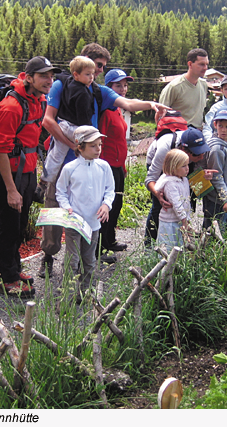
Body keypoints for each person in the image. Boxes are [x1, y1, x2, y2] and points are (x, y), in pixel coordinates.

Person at [40, 43, 167, 275]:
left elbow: (127, 103)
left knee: (87, 206)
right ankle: (48, 255)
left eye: (101, 67)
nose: (99, 71)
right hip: (64, 158)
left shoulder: (97, 90)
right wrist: (70, 144)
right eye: (97, 66)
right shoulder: (61, 85)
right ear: (84, 60)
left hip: (87, 161)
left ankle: (80, 260)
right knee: (55, 205)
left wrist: (151, 104)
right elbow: (48, 120)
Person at [0, 56, 61, 298]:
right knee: (9, 226)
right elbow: (1, 150)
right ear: (29, 77)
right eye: (44, 76)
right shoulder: (11, 107)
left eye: (51, 76)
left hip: (28, 171)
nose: (49, 80)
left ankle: (14, 271)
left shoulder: (39, 101)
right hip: (9, 175)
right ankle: (7, 280)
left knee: (20, 225)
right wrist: (11, 189)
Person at [56, 126, 115, 303]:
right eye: (93, 146)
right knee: (72, 261)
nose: (98, 149)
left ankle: (85, 293)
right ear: (80, 147)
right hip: (74, 223)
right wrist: (67, 207)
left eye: (100, 145)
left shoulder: (103, 167)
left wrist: (106, 205)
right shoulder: (70, 168)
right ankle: (66, 296)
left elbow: (110, 190)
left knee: (89, 261)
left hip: (94, 223)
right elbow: (60, 192)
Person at [144, 127, 213, 245]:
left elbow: (195, 184)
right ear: (184, 150)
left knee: (187, 197)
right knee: (158, 205)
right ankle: (150, 244)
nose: (201, 157)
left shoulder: (199, 148)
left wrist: (203, 177)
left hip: (183, 160)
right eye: (197, 155)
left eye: (203, 152)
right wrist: (158, 195)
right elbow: (150, 179)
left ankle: (182, 235)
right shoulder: (164, 149)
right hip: (160, 165)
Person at [96, 69, 134, 257]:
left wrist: (123, 166)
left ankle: (109, 240)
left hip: (118, 166)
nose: (123, 89)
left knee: (117, 204)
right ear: (108, 87)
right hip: (107, 166)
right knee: (106, 205)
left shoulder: (117, 110)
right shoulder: (106, 112)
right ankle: (100, 247)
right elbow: (100, 141)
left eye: (125, 85)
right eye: (118, 85)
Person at [44, 56, 96, 172]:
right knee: (88, 148)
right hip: (74, 128)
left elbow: (61, 75)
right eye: (87, 74)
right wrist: (88, 131)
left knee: (56, 156)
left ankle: (45, 179)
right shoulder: (83, 93)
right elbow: (83, 117)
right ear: (76, 74)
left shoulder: (68, 81)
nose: (91, 77)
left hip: (62, 124)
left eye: (92, 74)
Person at [203, 106, 227, 230]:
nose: (223, 130)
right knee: (214, 229)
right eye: (220, 126)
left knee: (221, 228)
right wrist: (225, 199)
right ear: (215, 125)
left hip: (226, 196)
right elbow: (216, 176)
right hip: (216, 199)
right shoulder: (217, 149)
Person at [159, 48, 210, 129]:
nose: (205, 68)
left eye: (207, 64)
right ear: (190, 64)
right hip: (177, 135)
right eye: (201, 64)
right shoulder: (174, 87)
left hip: (198, 135)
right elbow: (160, 116)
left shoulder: (204, 85)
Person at [154, 149, 192, 249]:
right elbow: (177, 204)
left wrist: (187, 218)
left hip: (180, 220)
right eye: (183, 166)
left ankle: (176, 264)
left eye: (187, 165)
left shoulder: (184, 180)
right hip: (170, 222)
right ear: (173, 168)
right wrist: (184, 220)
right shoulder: (170, 184)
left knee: (180, 246)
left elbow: (186, 200)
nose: (187, 168)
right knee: (168, 247)